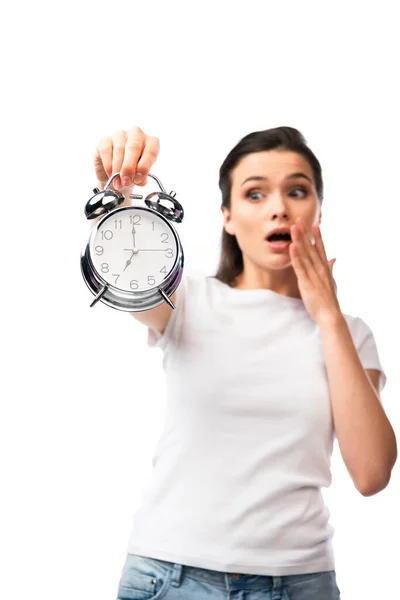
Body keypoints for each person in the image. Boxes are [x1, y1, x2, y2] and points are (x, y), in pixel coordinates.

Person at [92, 125, 396, 600]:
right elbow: (128, 273)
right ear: (228, 217)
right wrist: (120, 198)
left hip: (299, 583)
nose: (279, 207)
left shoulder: (351, 333)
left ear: (318, 208)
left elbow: (372, 473)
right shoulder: (188, 301)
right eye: (255, 194)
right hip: (170, 578)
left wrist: (328, 317)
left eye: (297, 190)